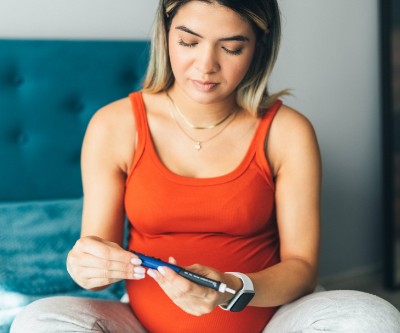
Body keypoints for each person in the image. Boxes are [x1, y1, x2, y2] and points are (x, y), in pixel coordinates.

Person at [10, 0, 400, 332]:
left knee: (373, 317)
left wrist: (232, 288)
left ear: (258, 48)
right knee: (39, 320)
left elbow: (302, 268)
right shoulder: (114, 125)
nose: (206, 65)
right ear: (165, 35)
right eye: (188, 42)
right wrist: (87, 267)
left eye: (231, 48)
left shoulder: (287, 131)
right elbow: (98, 252)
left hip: (271, 321)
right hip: (142, 324)